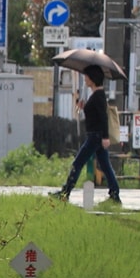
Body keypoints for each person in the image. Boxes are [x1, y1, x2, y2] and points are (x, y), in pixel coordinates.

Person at [50, 66, 122, 205]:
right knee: (106, 166)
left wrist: (105, 137)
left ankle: (65, 192)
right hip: (96, 135)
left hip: (95, 136)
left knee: (77, 163)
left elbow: (103, 117)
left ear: (93, 79)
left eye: (87, 76)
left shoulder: (99, 96)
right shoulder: (95, 95)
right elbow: (94, 113)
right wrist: (84, 106)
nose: (85, 79)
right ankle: (115, 194)